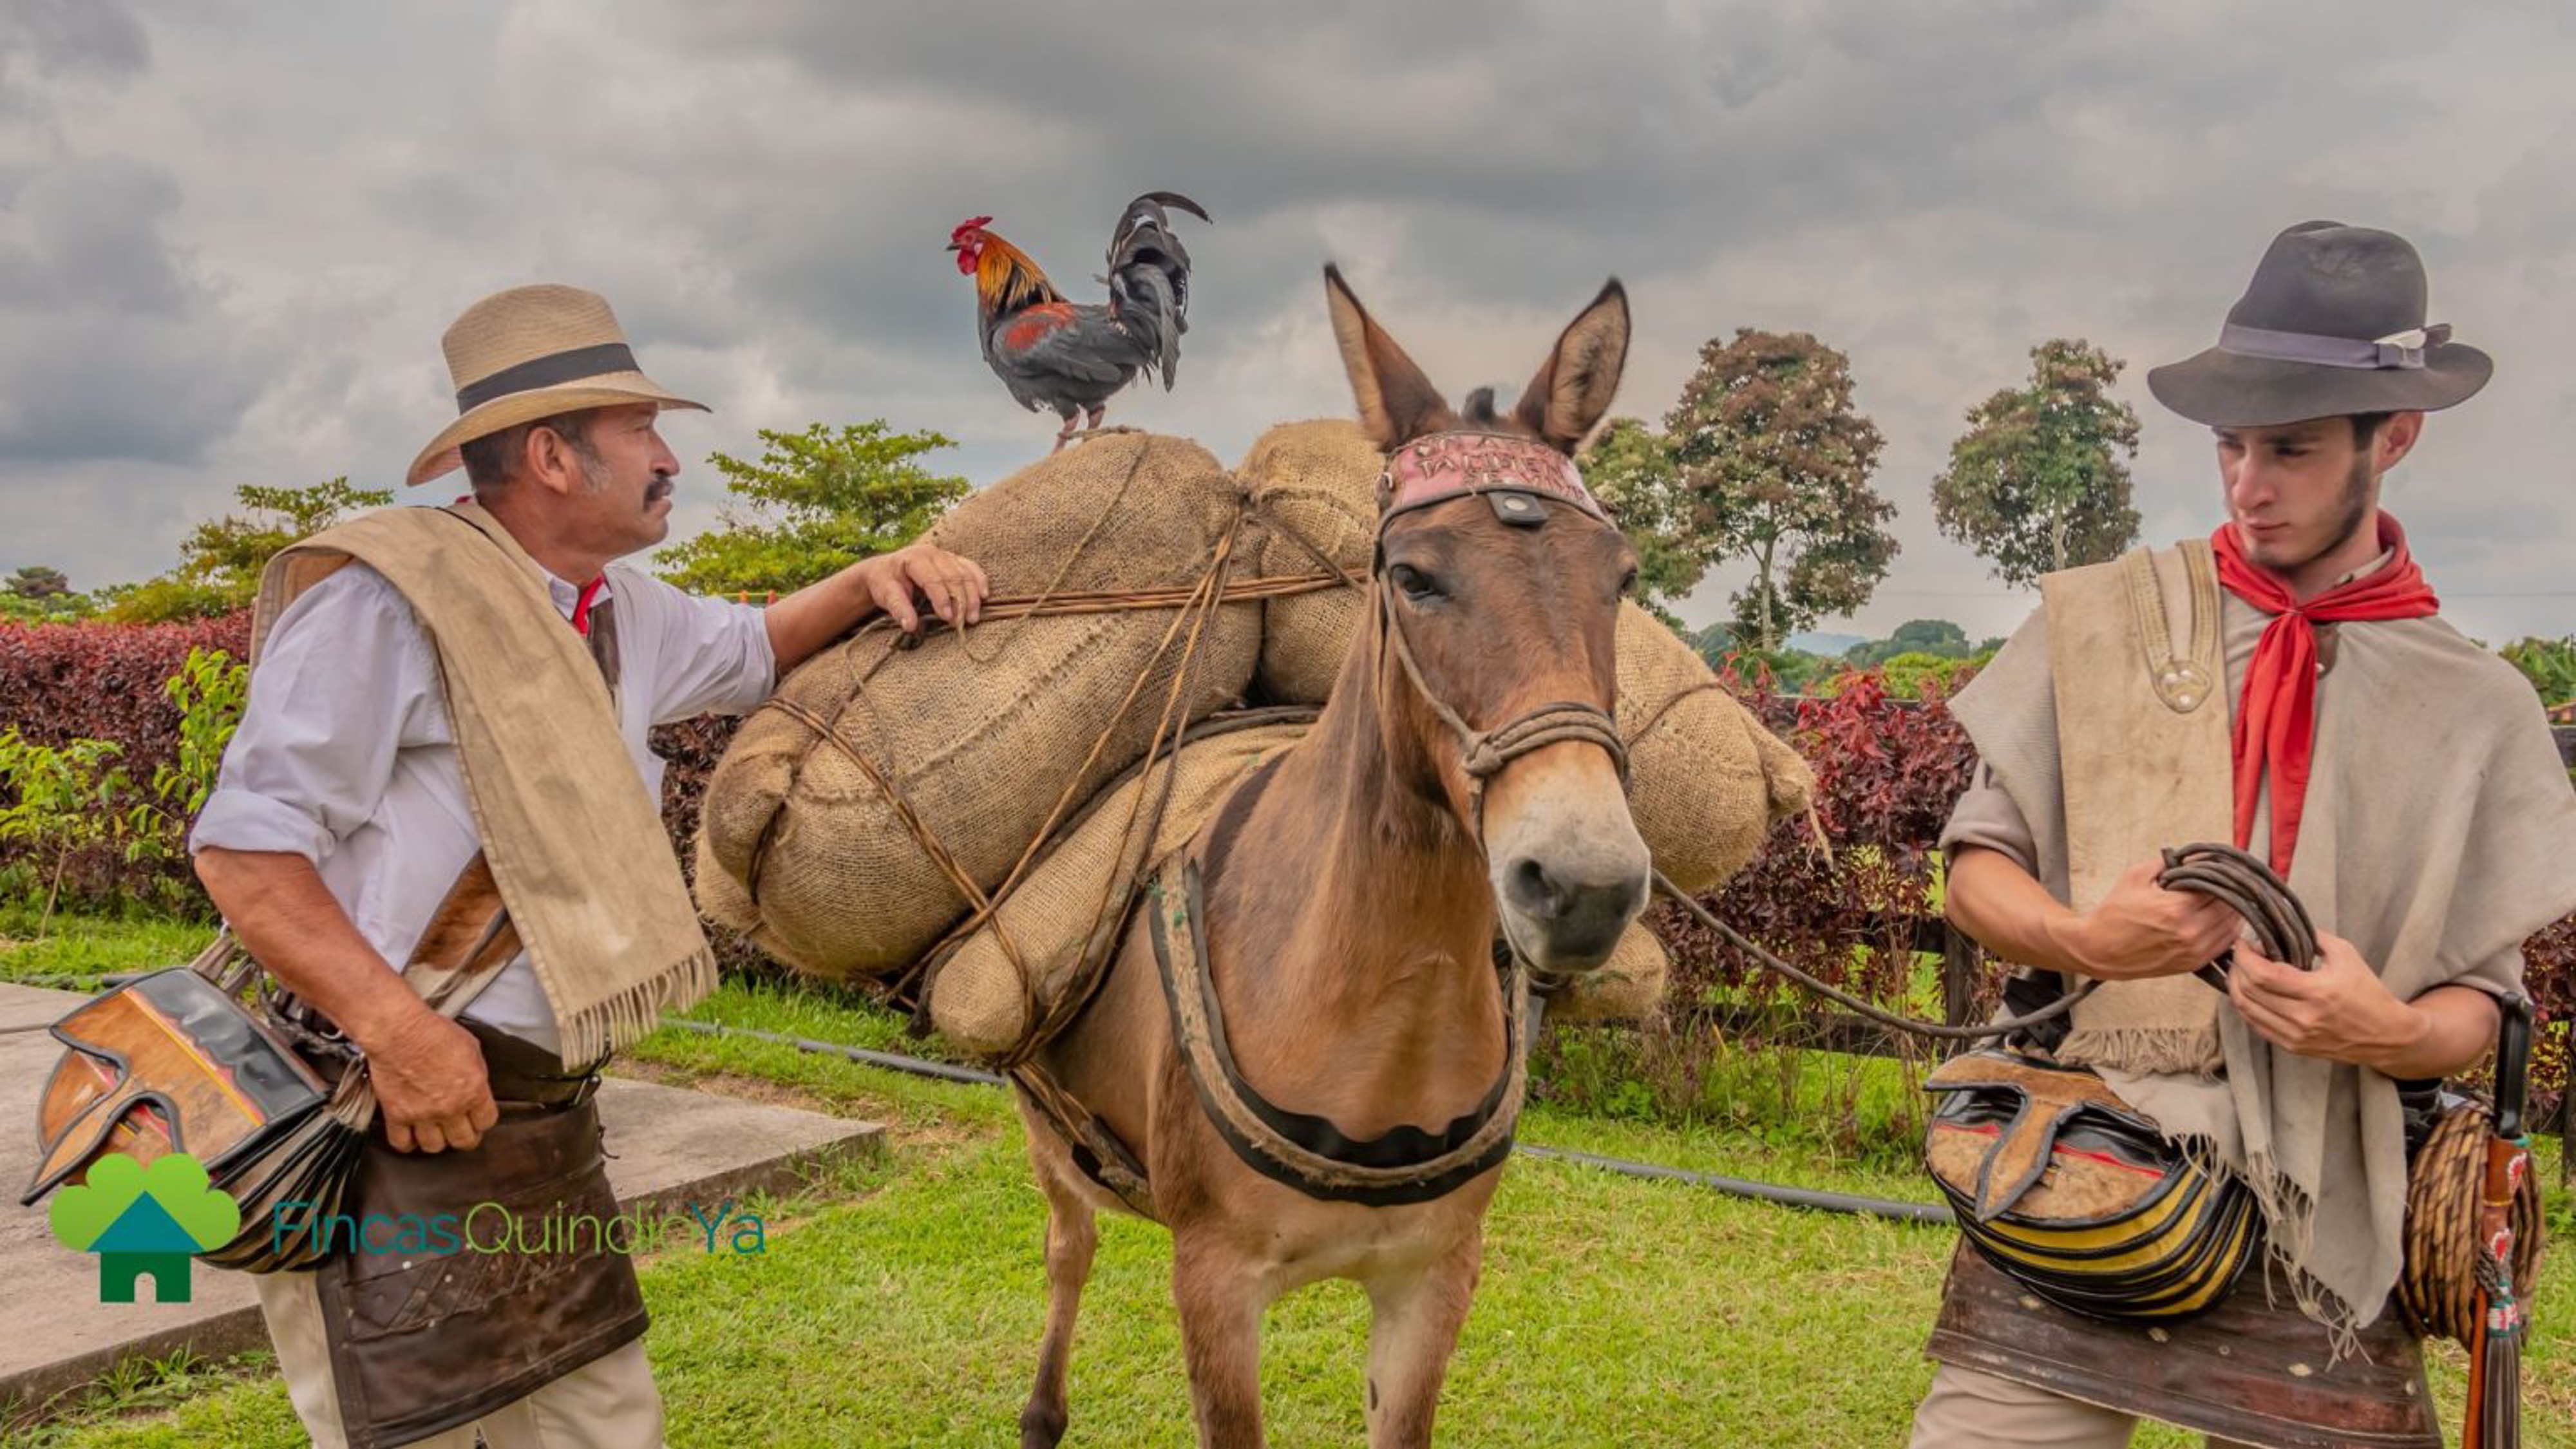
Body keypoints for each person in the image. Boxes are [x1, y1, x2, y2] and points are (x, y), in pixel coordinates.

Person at [189, 283, 989, 1448]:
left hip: (538, 1131)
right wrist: (401, 1037)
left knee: (609, 1428)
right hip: (392, 1118)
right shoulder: (385, 604)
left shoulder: (618, 614)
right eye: (643, 431)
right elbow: (247, 853)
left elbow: (757, 644)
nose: (670, 459)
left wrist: (877, 572)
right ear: (554, 458)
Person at [1906, 222, 2576, 1448]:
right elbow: (1974, 873)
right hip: (2082, 1164)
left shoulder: (2476, 708)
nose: (2248, 484)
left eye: (2292, 449)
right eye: (2231, 444)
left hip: (2330, 1227)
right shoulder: (2106, 627)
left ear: (2396, 436)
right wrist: (2082, 936)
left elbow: (2484, 1005)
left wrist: (2386, 1030)